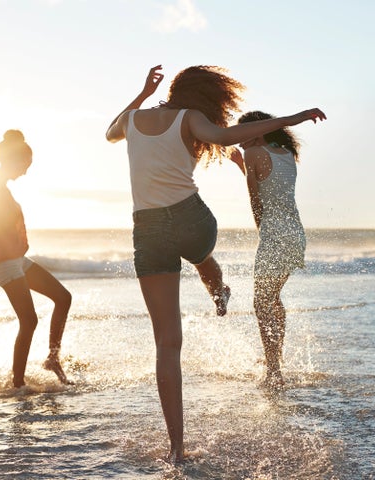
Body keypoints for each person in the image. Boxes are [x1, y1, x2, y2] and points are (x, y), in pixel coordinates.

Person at [105, 64, 326, 462]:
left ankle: (176, 448)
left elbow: (109, 133)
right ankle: (218, 286)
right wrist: (294, 118)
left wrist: (140, 94)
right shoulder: (191, 119)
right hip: (193, 221)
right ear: (208, 97)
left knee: (167, 344)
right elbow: (227, 137)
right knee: (201, 255)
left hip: (149, 231)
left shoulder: (133, 119)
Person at [0, 130, 72, 389]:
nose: (25, 172)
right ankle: (18, 384)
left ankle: (52, 359)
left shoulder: (0, 187)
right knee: (29, 320)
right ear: (13, 161)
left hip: (16, 259)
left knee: (63, 297)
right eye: (25, 165)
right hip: (2, 263)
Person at [229, 110, 321, 390]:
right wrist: (240, 166)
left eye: (243, 133)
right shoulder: (285, 153)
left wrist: (263, 234)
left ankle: (273, 370)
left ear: (259, 131)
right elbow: (272, 185)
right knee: (272, 298)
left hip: (276, 235)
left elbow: (256, 200)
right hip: (295, 234)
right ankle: (275, 361)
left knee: (261, 302)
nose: (238, 138)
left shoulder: (252, 154)